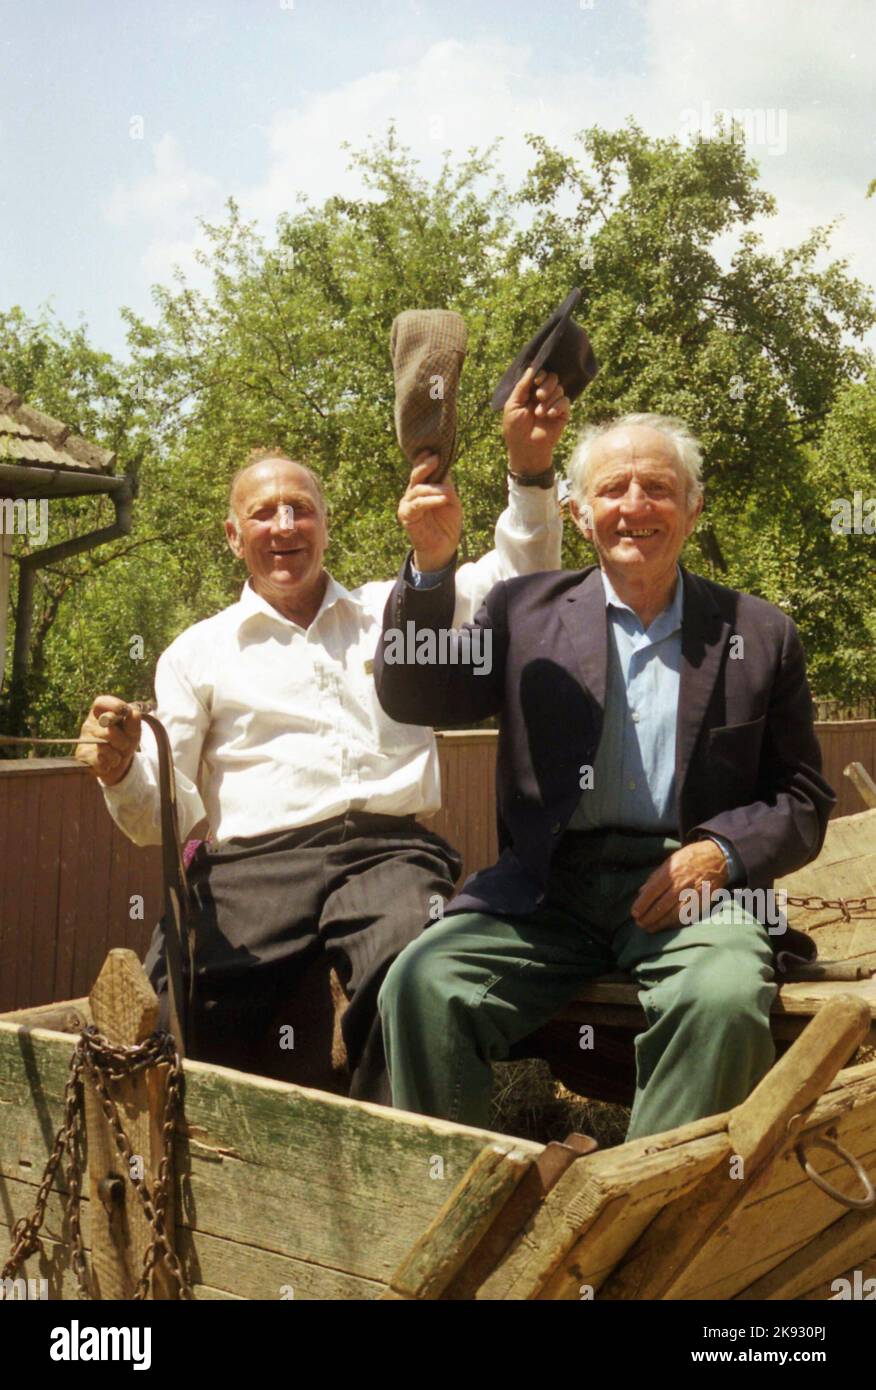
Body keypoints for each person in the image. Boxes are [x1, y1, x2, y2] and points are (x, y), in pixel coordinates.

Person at [75, 367, 571, 1103]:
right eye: (264, 512)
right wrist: (120, 772)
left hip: (388, 853)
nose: (284, 527)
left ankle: (406, 1171)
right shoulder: (196, 652)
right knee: (180, 998)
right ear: (233, 534)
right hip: (250, 870)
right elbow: (162, 816)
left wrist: (529, 472)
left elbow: (520, 584)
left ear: (326, 522)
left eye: (300, 509)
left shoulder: (396, 609)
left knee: (413, 972)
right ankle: (220, 1188)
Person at [374, 412, 835, 1140]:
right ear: (579, 513)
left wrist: (721, 853)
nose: (634, 506)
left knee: (721, 998)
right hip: (547, 892)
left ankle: (642, 1218)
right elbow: (417, 696)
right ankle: (453, 1215)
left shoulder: (759, 632)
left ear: (693, 507)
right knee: (422, 983)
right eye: (612, 489)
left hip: (688, 894)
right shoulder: (522, 612)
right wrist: (431, 568)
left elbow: (803, 797)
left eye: (658, 488)